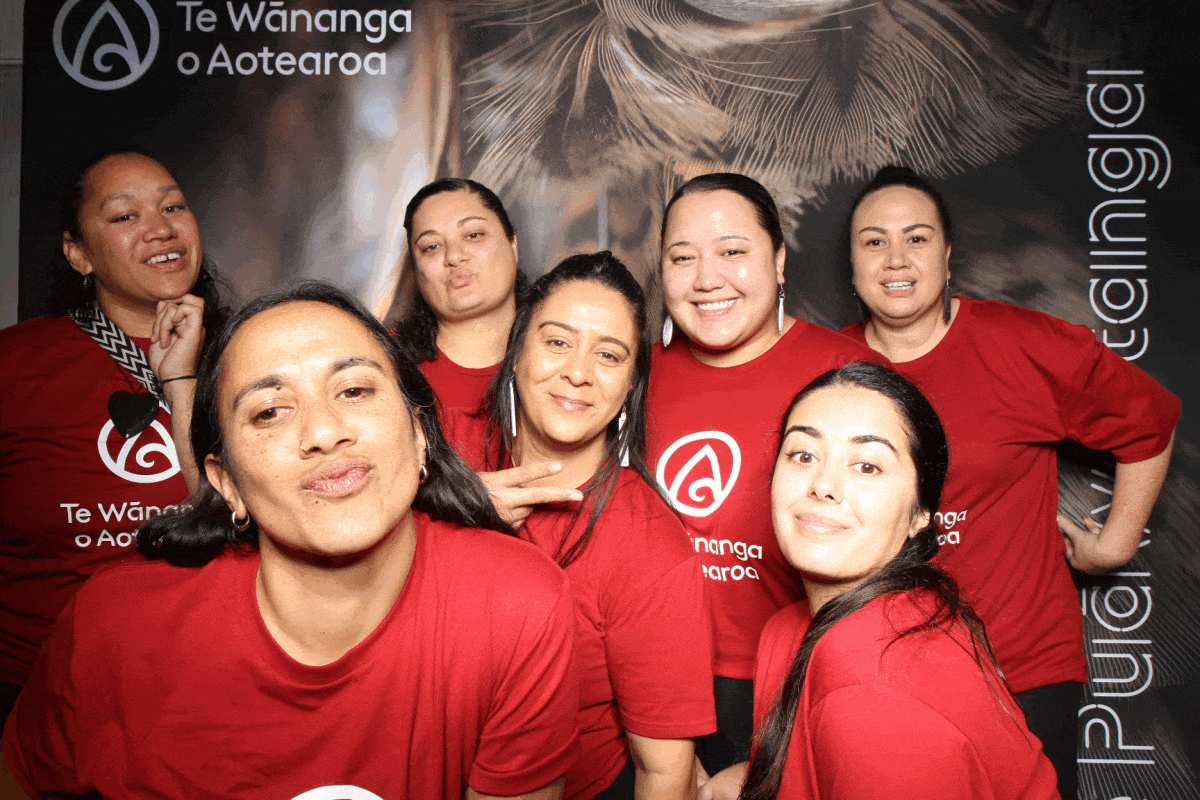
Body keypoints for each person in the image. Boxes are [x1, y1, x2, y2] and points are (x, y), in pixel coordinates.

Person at [2, 283, 579, 799]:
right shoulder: (114, 628)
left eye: (354, 390)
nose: (324, 432)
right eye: (270, 411)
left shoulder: (516, 605)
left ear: (419, 433)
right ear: (226, 483)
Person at [840, 165, 1179, 798]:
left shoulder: (1022, 345)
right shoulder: (826, 367)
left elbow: (1150, 419)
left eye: (916, 238)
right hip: (878, 671)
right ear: (853, 262)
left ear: (948, 254)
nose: (895, 259)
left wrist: (1114, 544)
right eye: (874, 241)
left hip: (1020, 671)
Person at [443, 252, 716, 800]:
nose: (578, 372)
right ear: (517, 351)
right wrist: (454, 500)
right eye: (557, 342)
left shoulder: (648, 545)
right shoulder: (444, 453)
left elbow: (665, 771)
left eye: (608, 355)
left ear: (630, 385)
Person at [737, 361, 1060, 800]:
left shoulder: (875, 687)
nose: (823, 485)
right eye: (803, 455)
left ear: (921, 513)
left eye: (867, 466)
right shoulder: (797, 628)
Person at [647, 173, 877, 776]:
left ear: (778, 261)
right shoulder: (631, 374)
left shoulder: (848, 375)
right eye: (682, 257)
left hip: (803, 674)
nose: (706, 278)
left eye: (732, 251)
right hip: (656, 677)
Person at [0, 151, 223, 724]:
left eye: (173, 206)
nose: (160, 228)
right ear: (78, 252)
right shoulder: (16, 364)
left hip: (212, 683)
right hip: (40, 700)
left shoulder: (255, 352)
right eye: (125, 216)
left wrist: (183, 382)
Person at [393, 177, 525, 413]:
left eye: (473, 235)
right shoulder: (383, 361)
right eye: (432, 246)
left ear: (512, 244)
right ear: (415, 270)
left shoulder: (568, 355)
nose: (453, 256)